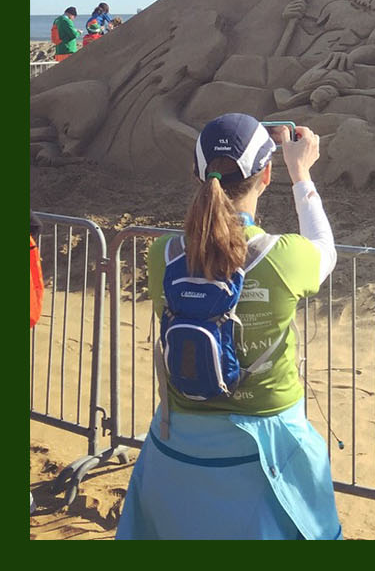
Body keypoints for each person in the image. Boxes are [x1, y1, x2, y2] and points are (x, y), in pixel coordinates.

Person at [115, 113, 342, 540]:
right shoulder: (282, 257)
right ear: (266, 174)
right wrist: (302, 174)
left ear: (196, 174)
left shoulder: (162, 253)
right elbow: (325, 248)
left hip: (176, 448)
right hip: (267, 451)